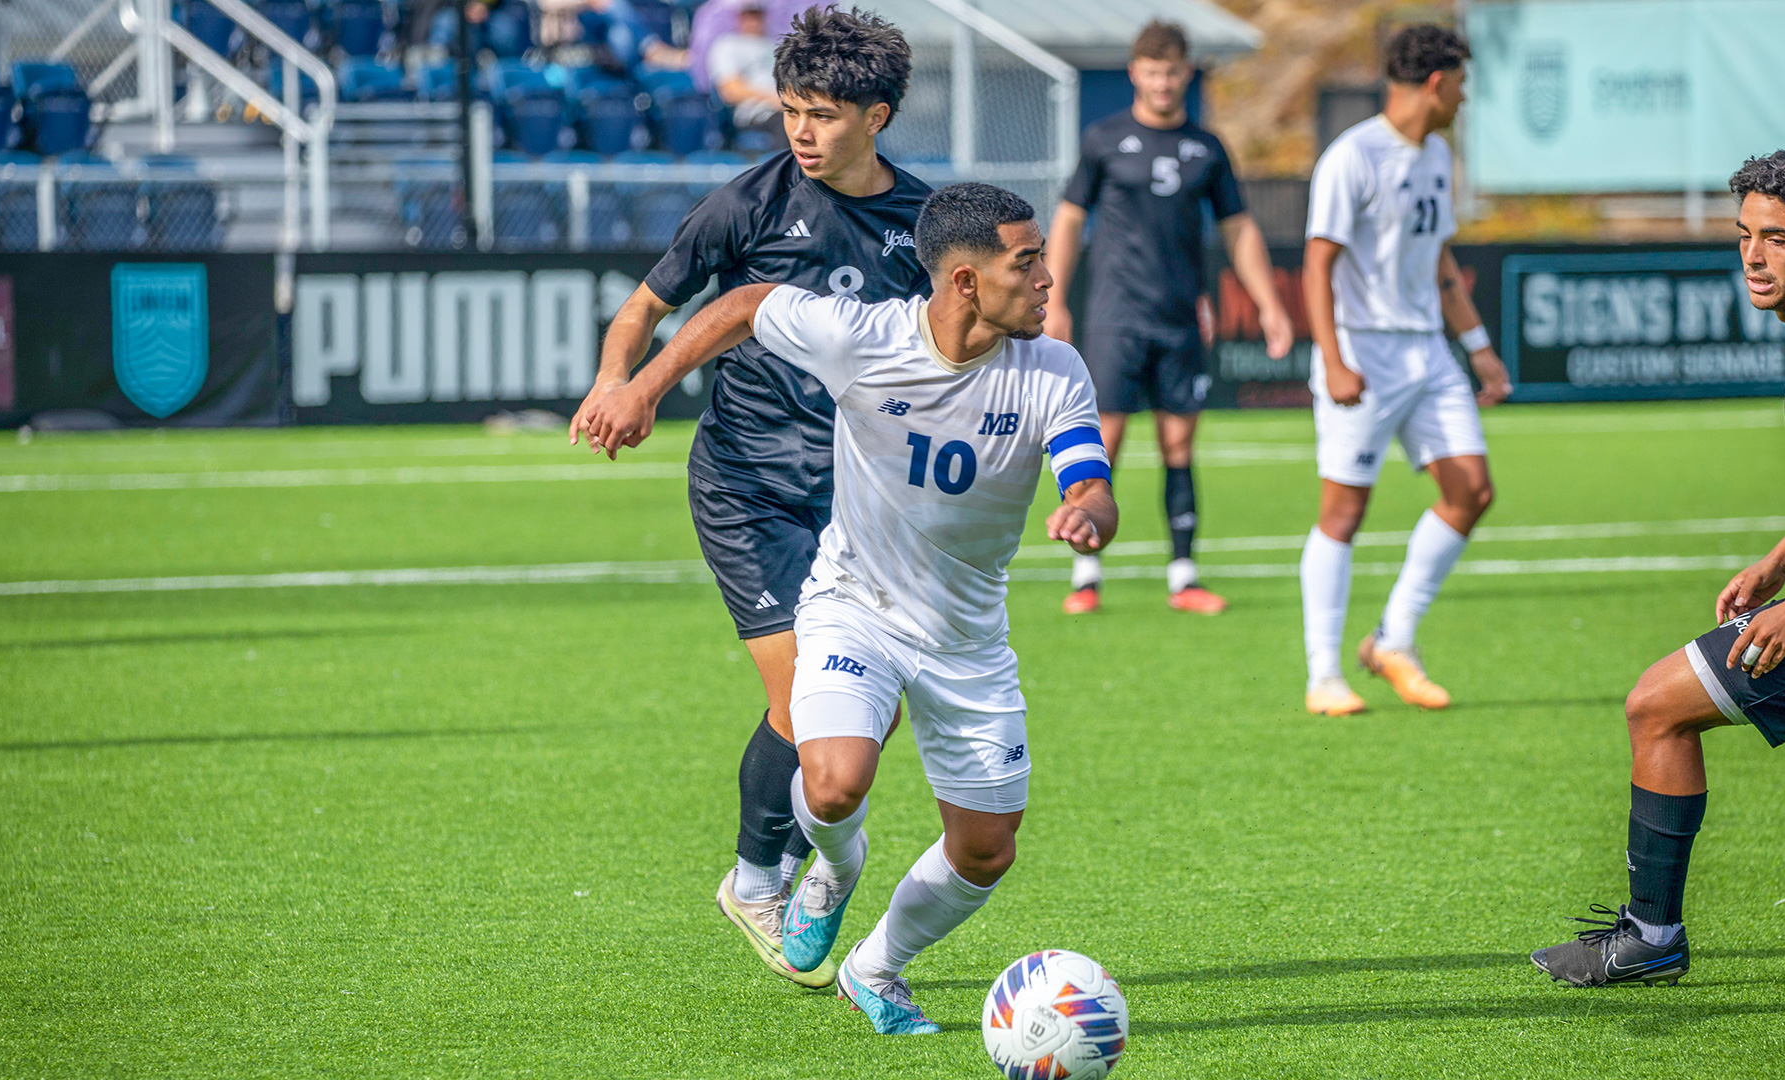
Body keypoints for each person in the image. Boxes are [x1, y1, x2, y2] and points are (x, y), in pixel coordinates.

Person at [592, 183, 1117, 1034]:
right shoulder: (868, 336)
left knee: (987, 850)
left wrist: (1086, 512)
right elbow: (749, 303)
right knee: (834, 785)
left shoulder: (1055, 369)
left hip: (968, 639)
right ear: (966, 283)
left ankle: (877, 967)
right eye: (1028, 263)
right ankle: (833, 869)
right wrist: (647, 385)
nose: (1049, 278)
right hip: (855, 606)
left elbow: (1089, 480)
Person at [566, 7, 929, 989]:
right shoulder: (748, 204)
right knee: (808, 700)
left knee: (870, 713)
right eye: (791, 111)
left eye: (822, 115)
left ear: (878, 116)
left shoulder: (928, 225)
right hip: (750, 485)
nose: (801, 132)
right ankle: (759, 878)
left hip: (860, 500)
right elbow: (647, 306)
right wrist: (617, 381)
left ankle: (789, 869)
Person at [1532, 150, 1785, 988]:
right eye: (1745, 237)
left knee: (1655, 707)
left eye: (1779, 239)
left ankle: (1651, 936)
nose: (1755, 258)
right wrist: (1776, 562)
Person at [1045, 20, 1294, 616]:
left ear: (1187, 73)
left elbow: (1239, 229)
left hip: (1181, 317)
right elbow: (1070, 219)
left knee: (1179, 442)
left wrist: (1270, 304)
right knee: (1106, 440)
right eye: (1152, 72)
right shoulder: (1104, 139)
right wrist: (1054, 300)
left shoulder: (1207, 148)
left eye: (1173, 71)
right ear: (1136, 73)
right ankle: (1086, 574)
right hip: (1114, 315)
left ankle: (1184, 576)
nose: (1162, 83)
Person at [1297, 24, 1511, 717]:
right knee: (1343, 511)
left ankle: (1393, 639)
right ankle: (1324, 674)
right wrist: (1333, 360)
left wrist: (1476, 346)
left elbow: (1441, 261)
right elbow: (1317, 266)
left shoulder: (1436, 154)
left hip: (1428, 350)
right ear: (1436, 83)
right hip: (1364, 349)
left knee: (1471, 490)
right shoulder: (1351, 157)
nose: (1464, 97)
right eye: (1462, 84)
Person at [707, 2, 784, 143]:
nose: (753, 21)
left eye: (757, 16)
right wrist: (774, 99)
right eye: (748, 16)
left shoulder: (775, 45)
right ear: (739, 18)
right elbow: (730, 91)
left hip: (785, 107)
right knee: (786, 124)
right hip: (755, 114)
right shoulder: (728, 44)